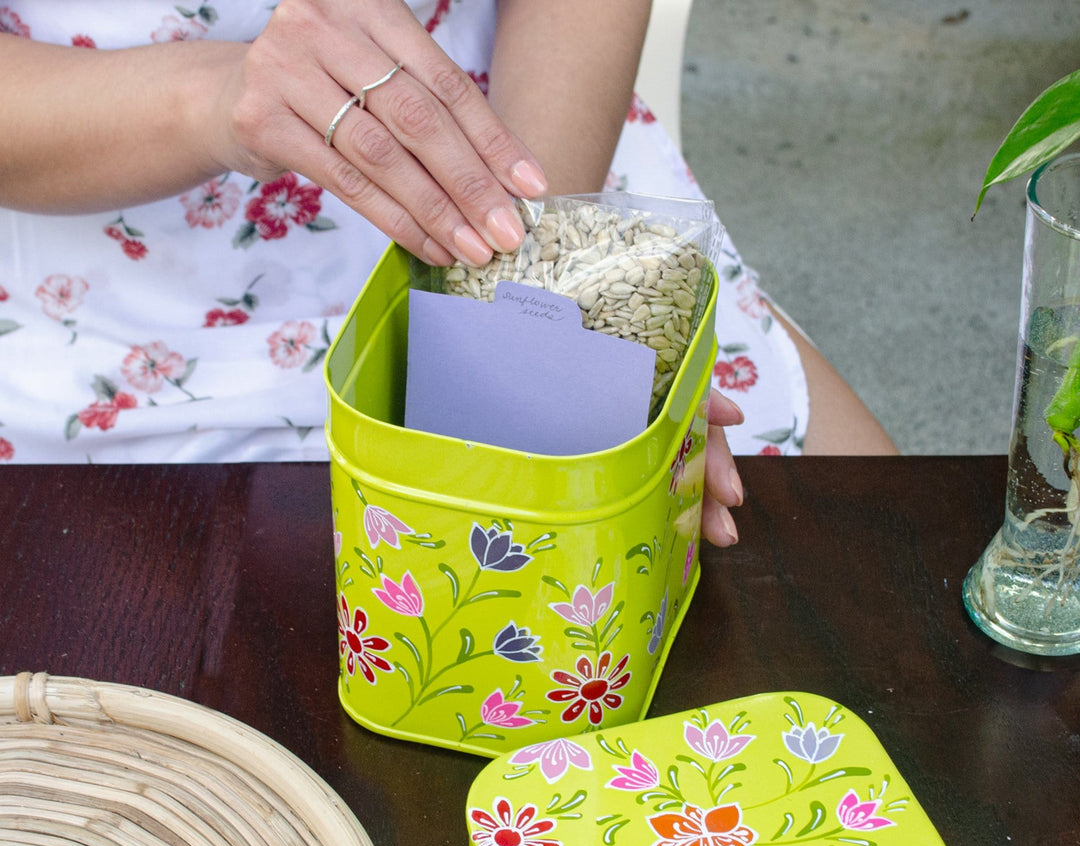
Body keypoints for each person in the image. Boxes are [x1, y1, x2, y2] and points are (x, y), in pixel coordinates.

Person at [0, 0, 894, 551]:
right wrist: (222, 96)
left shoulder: (536, 238)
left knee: (883, 581)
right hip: (105, 329)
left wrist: (538, 311)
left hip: (530, 178)